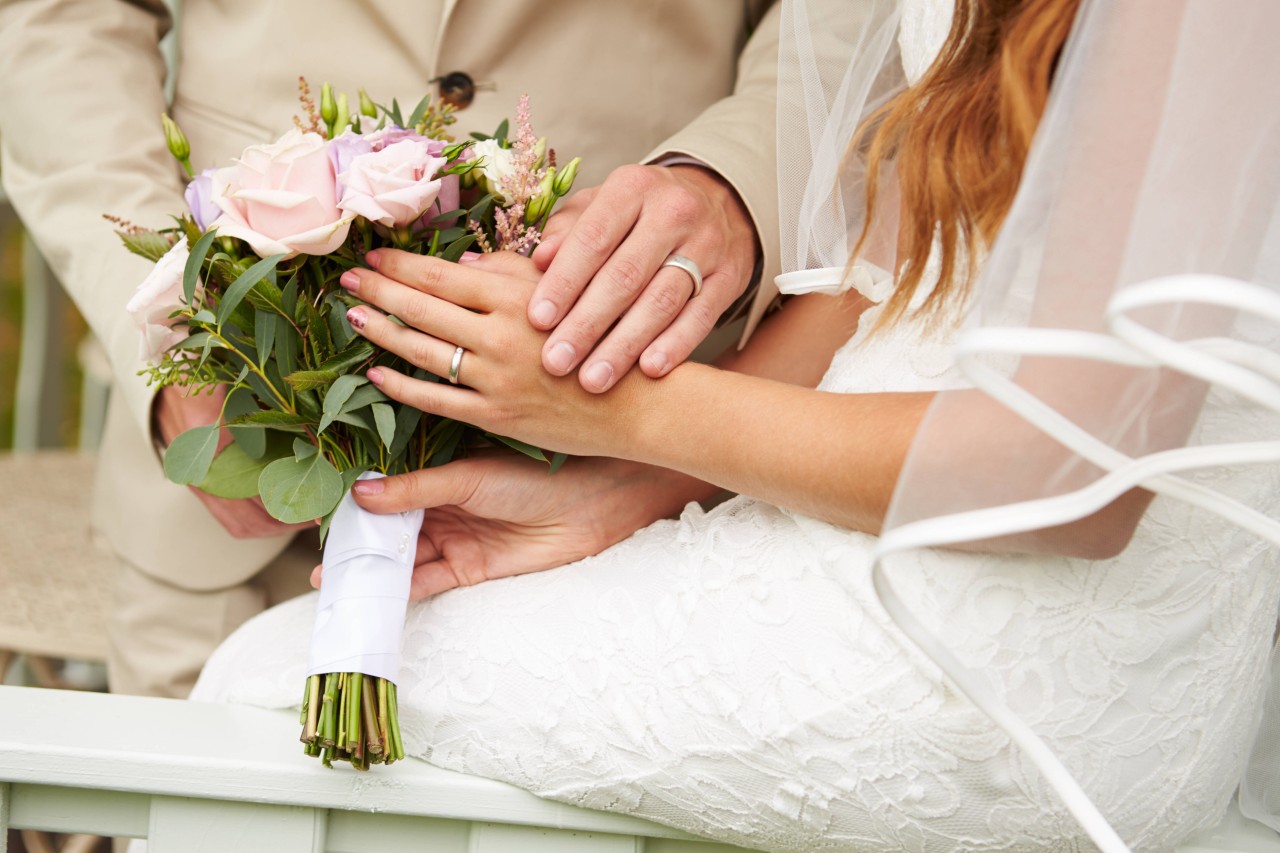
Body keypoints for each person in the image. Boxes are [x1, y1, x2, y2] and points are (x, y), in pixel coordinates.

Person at [194, 0, 1280, 849]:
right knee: (295, 663)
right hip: (850, 509)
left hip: (1030, 651)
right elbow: (894, 286)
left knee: (269, 680)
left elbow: (1066, 473)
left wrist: (610, 402)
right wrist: (613, 490)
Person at [0, 0, 807, 698]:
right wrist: (184, 326)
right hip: (237, 477)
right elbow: (61, 20)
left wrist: (732, 184)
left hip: (628, 462)